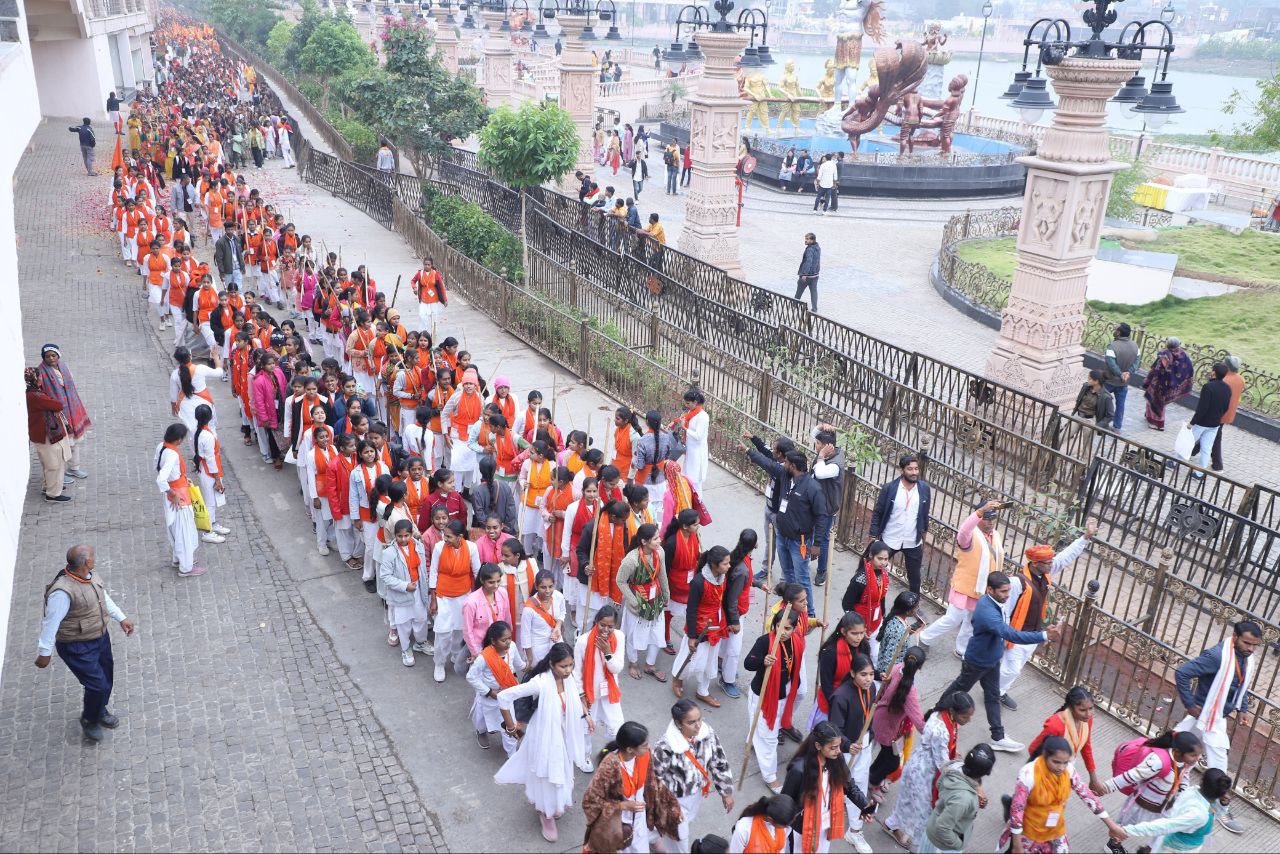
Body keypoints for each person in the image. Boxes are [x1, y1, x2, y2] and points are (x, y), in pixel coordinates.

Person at [936, 571, 1063, 753]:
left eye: (1008, 591)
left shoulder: (996, 602)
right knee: (959, 688)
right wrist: (1044, 635)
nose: (1007, 595)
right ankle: (936, 713)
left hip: (992, 659)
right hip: (978, 661)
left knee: (992, 696)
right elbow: (1011, 634)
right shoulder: (987, 611)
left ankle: (998, 736)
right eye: (1003, 592)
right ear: (990, 589)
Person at [35, 545, 136, 741]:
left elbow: (102, 597)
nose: (95, 560)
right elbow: (50, 622)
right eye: (93, 557)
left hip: (99, 637)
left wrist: (121, 618)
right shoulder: (62, 593)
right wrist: (44, 653)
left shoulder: (90, 575)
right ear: (87, 562)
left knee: (106, 677)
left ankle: (98, 709)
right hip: (76, 645)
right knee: (97, 684)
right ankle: (90, 720)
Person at [1172, 619, 1260, 833]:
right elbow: (1182, 672)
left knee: (1174, 750)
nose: (1251, 648)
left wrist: (1242, 708)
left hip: (1213, 716)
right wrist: (1190, 704)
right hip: (1206, 715)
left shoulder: (1245, 658)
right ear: (1236, 637)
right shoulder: (1217, 656)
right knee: (1218, 761)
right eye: (1247, 643)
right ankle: (1221, 805)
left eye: (1254, 645)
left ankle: (1164, 782)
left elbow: (1240, 685)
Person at [495, 642, 588, 843]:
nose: (569, 670)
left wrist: (586, 715)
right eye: (564, 666)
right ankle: (545, 814)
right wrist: (511, 727)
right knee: (546, 773)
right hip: (544, 736)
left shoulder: (569, 678)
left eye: (571, 665)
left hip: (564, 736)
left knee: (562, 771)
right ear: (552, 664)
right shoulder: (540, 682)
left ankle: (553, 804)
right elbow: (504, 696)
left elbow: (574, 699)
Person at [998, 522, 1096, 709]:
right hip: (1016, 633)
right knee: (1011, 669)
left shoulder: (1046, 574)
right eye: (1048, 562)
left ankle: (998, 688)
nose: (1052, 565)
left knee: (1016, 668)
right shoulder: (1017, 582)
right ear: (1035, 563)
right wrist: (1003, 634)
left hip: (1033, 633)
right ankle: (996, 692)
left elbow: (1065, 558)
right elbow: (1005, 609)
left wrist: (1085, 538)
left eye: (1052, 562)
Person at [881, 690, 977, 848]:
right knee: (922, 810)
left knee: (909, 802)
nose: (968, 720)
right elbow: (943, 765)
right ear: (953, 711)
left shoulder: (945, 716)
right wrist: (966, 776)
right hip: (923, 774)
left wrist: (952, 752)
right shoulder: (940, 730)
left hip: (922, 768)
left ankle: (892, 824)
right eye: (965, 716)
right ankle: (921, 844)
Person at [998, 735, 1124, 853]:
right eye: (1056, 762)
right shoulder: (1028, 774)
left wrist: (1111, 825)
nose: (1061, 768)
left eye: (1065, 762)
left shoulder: (1068, 770)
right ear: (1045, 756)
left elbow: (1087, 795)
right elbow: (1017, 811)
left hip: (1055, 827)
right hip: (1030, 830)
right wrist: (1016, 844)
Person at [918, 498, 1006, 657]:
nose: (990, 522)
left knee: (972, 622)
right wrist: (980, 511)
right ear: (979, 518)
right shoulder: (969, 535)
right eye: (986, 518)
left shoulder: (996, 536)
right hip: (965, 587)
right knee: (953, 619)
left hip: (985, 590)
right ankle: (925, 637)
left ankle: (961, 649)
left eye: (993, 518)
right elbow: (964, 530)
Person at [581, 720, 682, 854]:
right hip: (617, 826)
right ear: (630, 749)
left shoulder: (645, 755)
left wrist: (672, 807)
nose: (648, 747)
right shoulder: (609, 767)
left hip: (639, 819)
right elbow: (590, 802)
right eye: (644, 745)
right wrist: (622, 806)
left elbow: (653, 782)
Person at [652, 699, 735, 853]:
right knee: (680, 838)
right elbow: (654, 782)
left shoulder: (707, 733)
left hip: (695, 795)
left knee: (682, 828)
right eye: (691, 722)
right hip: (674, 801)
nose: (698, 726)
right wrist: (670, 808)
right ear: (678, 723)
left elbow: (719, 761)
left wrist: (726, 792)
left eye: (699, 719)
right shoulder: (664, 747)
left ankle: (655, 839)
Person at [1100, 729, 1203, 850]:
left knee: (1163, 831)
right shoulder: (1157, 761)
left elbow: (1184, 775)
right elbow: (1131, 776)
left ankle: (1151, 850)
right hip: (1141, 805)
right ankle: (1113, 845)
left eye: (1199, 755)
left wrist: (1182, 793)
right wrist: (1105, 787)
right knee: (1124, 828)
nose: (1198, 758)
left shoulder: (1188, 762)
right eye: (1194, 755)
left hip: (1165, 806)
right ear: (1178, 752)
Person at [781, 721, 874, 854]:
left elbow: (848, 784)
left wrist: (864, 805)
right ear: (818, 746)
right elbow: (785, 802)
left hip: (825, 824)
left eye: (839, 746)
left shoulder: (836, 758)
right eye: (833, 747)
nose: (839, 751)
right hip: (802, 828)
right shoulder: (798, 770)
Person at [743, 606, 804, 793]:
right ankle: (770, 777)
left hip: (782, 691)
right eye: (779, 626)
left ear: (794, 628)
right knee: (770, 737)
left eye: (787, 628)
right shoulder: (764, 642)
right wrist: (763, 661)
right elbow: (748, 663)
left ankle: (751, 741)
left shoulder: (796, 642)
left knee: (764, 728)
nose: (783, 632)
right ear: (774, 625)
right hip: (763, 694)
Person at [826, 652, 878, 852]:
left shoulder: (871, 687)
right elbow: (835, 728)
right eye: (863, 674)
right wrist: (847, 746)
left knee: (860, 785)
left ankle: (855, 831)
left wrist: (868, 737)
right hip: (845, 749)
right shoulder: (840, 696)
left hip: (863, 743)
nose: (868, 679)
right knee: (839, 784)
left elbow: (869, 715)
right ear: (852, 673)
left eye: (871, 674)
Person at [1112, 768, 1232, 854]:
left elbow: (1213, 814)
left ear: (1201, 781)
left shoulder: (1193, 791)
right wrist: (1127, 830)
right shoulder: (1198, 813)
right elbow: (1165, 826)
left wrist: (1222, 805)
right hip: (1176, 849)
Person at [672, 544, 733, 707]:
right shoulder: (698, 582)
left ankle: (703, 691)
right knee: (690, 658)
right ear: (714, 565)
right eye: (725, 563)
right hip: (699, 626)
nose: (729, 566)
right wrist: (692, 636)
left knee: (710, 660)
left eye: (729, 562)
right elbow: (691, 610)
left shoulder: (723, 577)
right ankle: (677, 680)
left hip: (716, 625)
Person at [867, 647, 927, 799]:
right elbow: (920, 723)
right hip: (887, 728)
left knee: (886, 754)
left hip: (880, 717)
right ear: (919, 667)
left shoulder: (896, 667)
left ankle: (872, 774)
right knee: (893, 762)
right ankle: (873, 781)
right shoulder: (910, 692)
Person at [774, 450, 827, 618]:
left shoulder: (813, 488)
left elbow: (821, 517)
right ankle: (790, 611)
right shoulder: (787, 478)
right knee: (788, 575)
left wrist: (817, 544)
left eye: (786, 463)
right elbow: (768, 463)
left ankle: (809, 615)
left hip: (800, 543)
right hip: (782, 537)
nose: (784, 465)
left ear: (793, 466)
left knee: (802, 579)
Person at [428, 520, 481, 682]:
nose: (445, 538)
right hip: (443, 595)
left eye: (449, 536)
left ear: (460, 537)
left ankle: (456, 653)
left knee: (460, 630)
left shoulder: (471, 548)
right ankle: (439, 663)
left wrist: (478, 597)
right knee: (442, 633)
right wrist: (433, 599)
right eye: (444, 535)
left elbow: (477, 571)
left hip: (463, 595)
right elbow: (434, 572)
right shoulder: (438, 548)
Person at [918, 743, 996, 854]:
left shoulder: (956, 767)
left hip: (933, 830)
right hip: (942, 846)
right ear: (986, 773)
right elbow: (943, 827)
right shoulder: (962, 800)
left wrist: (976, 788)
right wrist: (958, 845)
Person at [616, 523, 670, 682]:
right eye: (655, 539)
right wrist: (633, 602)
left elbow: (662, 574)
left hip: (656, 600)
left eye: (659, 537)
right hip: (637, 603)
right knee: (634, 636)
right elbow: (620, 581)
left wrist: (666, 594)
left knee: (657, 634)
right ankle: (633, 664)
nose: (659, 541)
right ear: (644, 542)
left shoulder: (660, 553)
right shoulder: (631, 560)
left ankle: (650, 665)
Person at [576, 606, 627, 767]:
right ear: (596, 622)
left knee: (617, 728)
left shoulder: (619, 637)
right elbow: (577, 672)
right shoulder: (583, 641)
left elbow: (617, 668)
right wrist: (580, 695)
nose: (606, 629)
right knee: (586, 728)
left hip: (609, 692)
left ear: (615, 626)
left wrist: (608, 653)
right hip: (589, 693)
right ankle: (584, 757)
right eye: (602, 625)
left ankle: (610, 758)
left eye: (610, 626)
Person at [1027, 686, 1104, 794]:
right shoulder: (1056, 725)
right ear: (1071, 708)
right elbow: (1033, 749)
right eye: (1082, 710)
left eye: (1091, 708)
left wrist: (1093, 778)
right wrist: (1053, 767)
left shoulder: (1087, 719)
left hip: (1065, 766)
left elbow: (1086, 746)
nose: (1088, 714)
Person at [467, 620, 525, 752]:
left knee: (509, 725)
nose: (508, 642)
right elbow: (471, 676)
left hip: (507, 695)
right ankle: (481, 732)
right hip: (489, 698)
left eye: (510, 638)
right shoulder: (484, 657)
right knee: (481, 720)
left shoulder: (513, 647)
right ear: (493, 641)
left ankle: (512, 755)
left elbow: (519, 665)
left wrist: (531, 666)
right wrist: (489, 692)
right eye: (504, 640)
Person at [379, 520, 430, 667]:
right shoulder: (389, 553)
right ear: (395, 535)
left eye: (406, 535)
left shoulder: (418, 547)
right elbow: (385, 576)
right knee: (403, 623)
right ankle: (406, 648)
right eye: (399, 536)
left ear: (411, 534)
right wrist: (404, 586)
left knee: (420, 618)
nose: (403, 539)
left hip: (418, 589)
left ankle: (420, 643)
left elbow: (422, 569)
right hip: (401, 593)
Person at [156, 422, 205, 577]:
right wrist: (174, 492)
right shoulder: (172, 454)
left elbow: (157, 468)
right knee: (184, 530)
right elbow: (161, 478)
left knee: (176, 529)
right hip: (179, 496)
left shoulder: (161, 447)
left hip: (173, 492)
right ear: (178, 440)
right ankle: (186, 567)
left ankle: (179, 558)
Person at [37, 344, 92, 480]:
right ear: (43, 358)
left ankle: (74, 468)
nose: (50, 358)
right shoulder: (41, 372)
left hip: (71, 409)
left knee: (74, 441)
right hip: (56, 413)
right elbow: (41, 393)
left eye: (53, 355)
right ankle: (60, 474)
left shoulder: (63, 367)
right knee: (61, 445)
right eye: (47, 356)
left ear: (58, 355)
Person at [25, 367, 73, 503]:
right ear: (35, 379)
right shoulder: (35, 395)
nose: (41, 379)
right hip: (47, 434)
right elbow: (57, 404)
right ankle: (53, 494)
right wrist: (55, 408)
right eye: (39, 377)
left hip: (39, 433)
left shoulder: (31, 392)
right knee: (54, 463)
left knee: (48, 463)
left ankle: (49, 487)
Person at [1192, 354, 1244, 472]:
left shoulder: (1224, 379)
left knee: (1214, 438)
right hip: (1228, 413)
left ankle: (1217, 464)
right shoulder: (1241, 379)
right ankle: (1193, 451)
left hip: (1217, 414)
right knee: (1210, 435)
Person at [841, 541, 890, 661]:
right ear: (871, 556)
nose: (883, 562)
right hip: (860, 621)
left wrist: (883, 617)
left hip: (876, 620)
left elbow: (881, 598)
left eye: (886, 559)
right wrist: (858, 628)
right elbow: (846, 603)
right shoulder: (861, 578)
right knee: (857, 655)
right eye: (880, 559)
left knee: (874, 655)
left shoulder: (883, 573)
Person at [192, 404, 232, 541]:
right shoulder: (207, 436)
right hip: (209, 470)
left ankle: (213, 523)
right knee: (209, 502)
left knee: (212, 500)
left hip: (205, 468)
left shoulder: (198, 432)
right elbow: (210, 459)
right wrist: (217, 479)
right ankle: (208, 532)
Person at [809, 427, 842, 587]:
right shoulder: (826, 452)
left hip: (826, 509)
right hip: (813, 504)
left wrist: (820, 457)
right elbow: (813, 434)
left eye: (817, 444)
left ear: (825, 446)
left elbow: (821, 473)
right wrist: (821, 425)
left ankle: (822, 570)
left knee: (822, 539)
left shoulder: (835, 463)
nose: (815, 446)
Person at [1186, 362, 1231, 475]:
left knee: (1188, 442)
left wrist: (1192, 422)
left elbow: (1202, 408)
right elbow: (1226, 407)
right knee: (1206, 448)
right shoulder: (1227, 388)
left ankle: (1173, 463)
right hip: (1215, 424)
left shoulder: (1208, 387)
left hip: (1202, 423)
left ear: (1214, 373)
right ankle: (1200, 473)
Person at [1142, 336, 1195, 430]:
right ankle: (1149, 417)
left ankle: (1157, 423)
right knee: (1156, 401)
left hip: (1160, 383)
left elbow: (1156, 369)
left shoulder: (1164, 356)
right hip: (1171, 385)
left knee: (1157, 401)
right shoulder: (1183, 355)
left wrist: (1147, 381)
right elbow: (1189, 368)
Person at [520, 570, 566, 669]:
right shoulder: (529, 609)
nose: (548, 591)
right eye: (543, 587)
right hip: (538, 647)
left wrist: (557, 627)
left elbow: (562, 613)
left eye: (550, 586)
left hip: (556, 641)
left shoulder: (558, 596)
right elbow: (525, 634)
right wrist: (530, 658)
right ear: (536, 587)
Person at [1103, 322, 1141, 431]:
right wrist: (1128, 373)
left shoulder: (1112, 346)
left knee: (1102, 401)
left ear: (1118, 333)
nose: (1113, 330)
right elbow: (1136, 363)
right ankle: (1117, 427)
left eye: (1115, 329)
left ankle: (1101, 422)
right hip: (1124, 382)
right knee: (1120, 405)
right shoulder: (1135, 346)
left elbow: (1111, 364)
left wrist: (1120, 373)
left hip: (1109, 381)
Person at [728, 794, 795, 853]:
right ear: (770, 819)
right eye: (784, 826)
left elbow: (781, 849)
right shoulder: (744, 828)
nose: (787, 828)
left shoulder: (783, 824)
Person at [672, 389, 709, 494]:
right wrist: (674, 422)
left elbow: (698, 436)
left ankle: (697, 502)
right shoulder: (691, 413)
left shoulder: (703, 417)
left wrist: (684, 428)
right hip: (690, 450)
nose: (686, 405)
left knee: (695, 480)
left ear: (695, 403)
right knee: (687, 477)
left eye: (688, 403)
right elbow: (682, 418)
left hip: (697, 453)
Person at [876, 590, 920, 675]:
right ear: (908, 611)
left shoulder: (896, 618)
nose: (917, 609)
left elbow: (904, 634)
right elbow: (889, 658)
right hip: (891, 673)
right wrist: (887, 678)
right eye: (916, 607)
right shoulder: (898, 631)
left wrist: (917, 625)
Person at [795, 233, 821, 313]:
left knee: (799, 289)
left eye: (807, 239)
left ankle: (795, 303)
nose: (805, 240)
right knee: (813, 292)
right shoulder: (818, 247)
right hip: (815, 275)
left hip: (808, 275)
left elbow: (808, 262)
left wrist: (804, 274)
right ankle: (814, 308)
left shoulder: (809, 249)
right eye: (805, 238)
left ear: (812, 240)